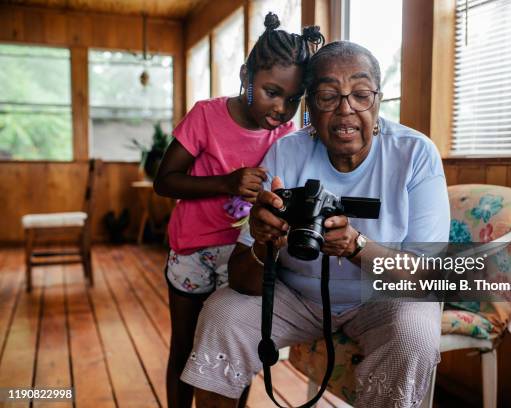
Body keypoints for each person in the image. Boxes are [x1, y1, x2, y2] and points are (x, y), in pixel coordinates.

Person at [180, 41, 450, 408]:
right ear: (309, 105)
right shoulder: (288, 152)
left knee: (415, 332)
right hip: (296, 296)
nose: (345, 109)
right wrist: (261, 241)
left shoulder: (414, 154)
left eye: (360, 94)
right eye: (327, 96)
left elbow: (426, 277)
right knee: (222, 313)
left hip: (383, 300)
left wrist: (357, 247)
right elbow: (242, 279)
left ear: (378, 100)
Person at [153, 13, 324, 408]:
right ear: (246, 75)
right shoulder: (206, 116)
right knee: (185, 345)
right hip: (193, 250)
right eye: (271, 91)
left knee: (236, 349)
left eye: (293, 99)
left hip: (246, 256)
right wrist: (227, 183)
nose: (281, 108)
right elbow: (165, 181)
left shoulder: (287, 135)